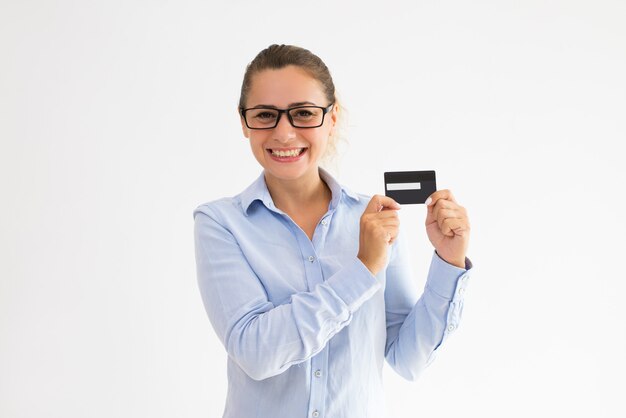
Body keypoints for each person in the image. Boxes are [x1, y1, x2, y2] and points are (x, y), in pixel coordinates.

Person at [193, 44, 473, 418]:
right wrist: (362, 269)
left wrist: (448, 260)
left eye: (303, 113)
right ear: (244, 122)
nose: (284, 132)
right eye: (265, 115)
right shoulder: (220, 223)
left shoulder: (376, 221)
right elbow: (257, 354)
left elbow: (408, 359)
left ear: (332, 117)